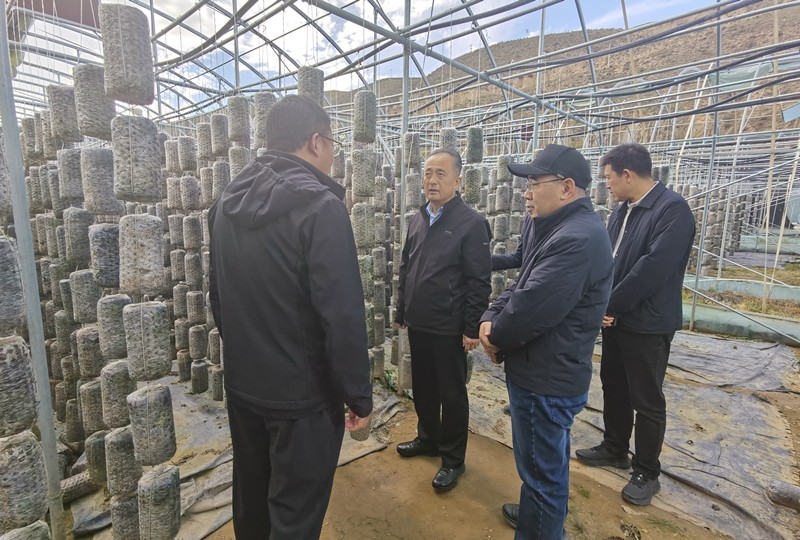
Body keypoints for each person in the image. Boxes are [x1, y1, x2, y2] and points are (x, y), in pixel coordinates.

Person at [208, 95, 373, 539]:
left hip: (245, 388)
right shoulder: (321, 207)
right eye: (333, 143)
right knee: (295, 514)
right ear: (316, 142)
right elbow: (341, 315)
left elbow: (218, 296)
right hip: (302, 399)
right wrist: (357, 395)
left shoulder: (225, 204)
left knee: (252, 497)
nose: (333, 155)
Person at [479, 144, 613, 539]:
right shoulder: (556, 227)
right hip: (541, 370)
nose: (527, 192)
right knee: (543, 466)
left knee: (543, 477)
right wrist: (489, 316)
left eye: (534, 183)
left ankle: (540, 524)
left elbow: (530, 308)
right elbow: (522, 285)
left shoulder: (577, 239)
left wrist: (495, 336)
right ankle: (537, 517)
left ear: (567, 187)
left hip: (546, 379)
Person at [575, 143, 695, 506]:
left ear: (627, 175)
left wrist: (611, 305)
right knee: (614, 384)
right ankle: (614, 447)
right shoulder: (622, 210)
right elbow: (609, 259)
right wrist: (602, 302)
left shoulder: (672, 210)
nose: (607, 185)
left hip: (647, 321)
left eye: (609, 178)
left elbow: (653, 268)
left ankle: (646, 471)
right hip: (616, 317)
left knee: (646, 397)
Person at [394, 147, 492, 492]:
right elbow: (406, 266)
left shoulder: (471, 223)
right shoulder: (418, 218)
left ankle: (453, 459)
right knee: (423, 386)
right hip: (419, 321)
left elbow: (479, 281)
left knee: (451, 394)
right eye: (427, 173)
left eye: (440, 174)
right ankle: (428, 438)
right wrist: (402, 309)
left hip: (449, 325)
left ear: (457, 180)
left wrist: (471, 327)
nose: (432, 180)